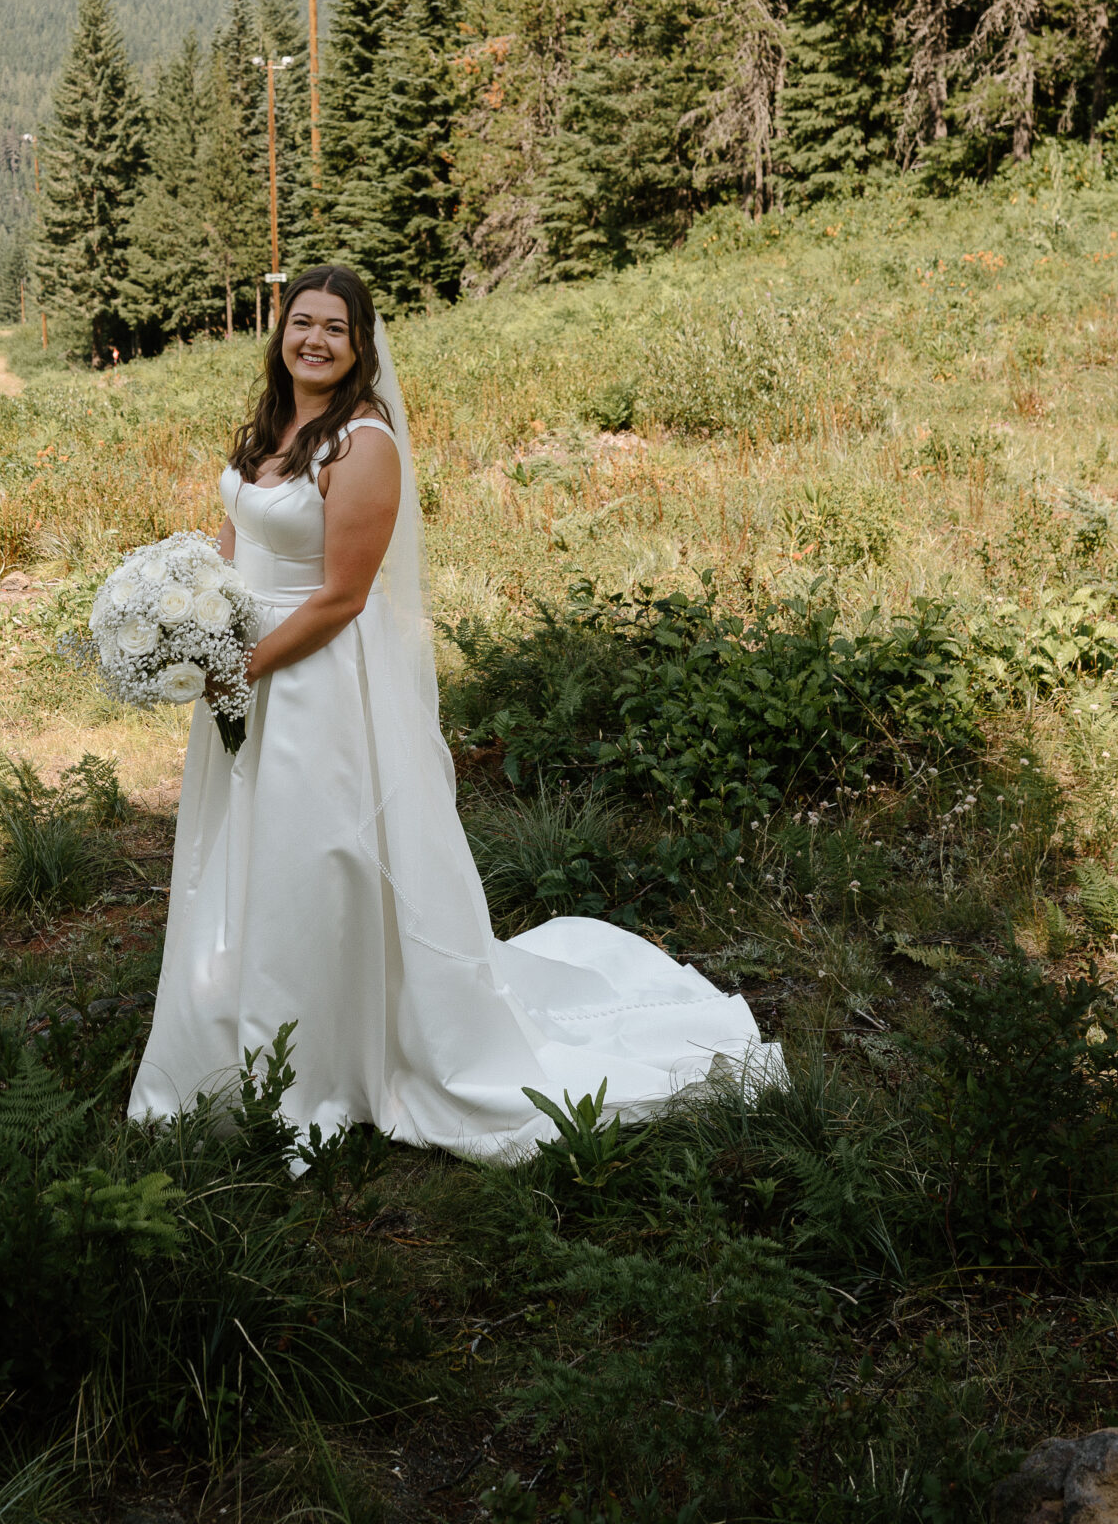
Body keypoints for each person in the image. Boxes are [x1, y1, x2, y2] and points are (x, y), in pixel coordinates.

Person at [128, 263, 776, 1161]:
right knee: (245, 854)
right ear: (280, 334)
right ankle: (234, 1038)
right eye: (301, 322)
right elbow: (232, 551)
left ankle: (329, 1060)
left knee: (315, 860)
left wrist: (238, 668)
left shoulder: (362, 444)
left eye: (335, 329)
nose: (313, 339)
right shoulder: (269, 430)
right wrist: (185, 621)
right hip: (239, 670)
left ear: (359, 348)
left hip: (310, 680)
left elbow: (341, 599)